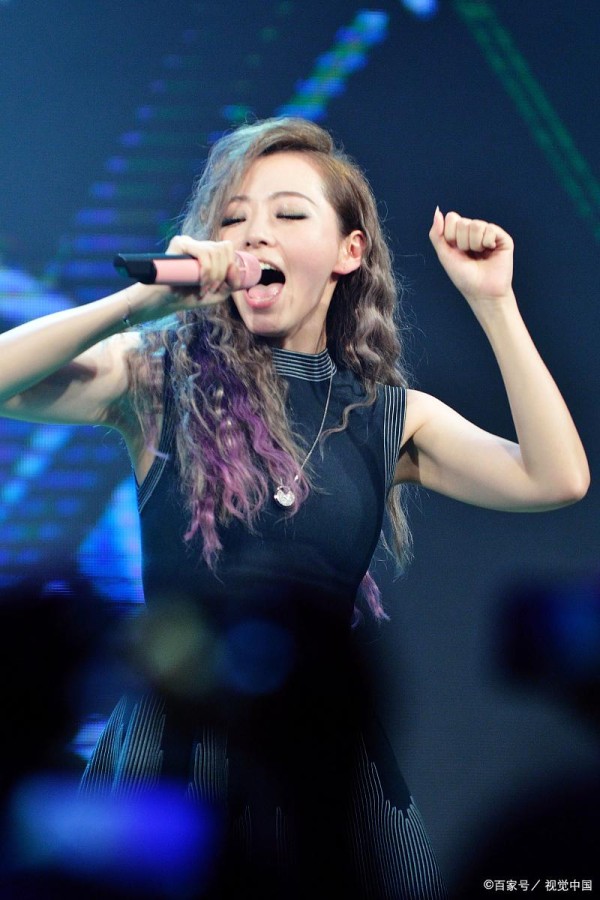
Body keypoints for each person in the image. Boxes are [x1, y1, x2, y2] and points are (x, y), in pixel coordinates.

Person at [0, 118, 589, 899]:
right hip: (173, 753)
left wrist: (494, 301)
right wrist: (140, 304)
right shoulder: (158, 378)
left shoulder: (389, 415)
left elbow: (556, 478)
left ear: (349, 251)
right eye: (234, 217)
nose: (254, 234)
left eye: (287, 213)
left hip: (325, 765)